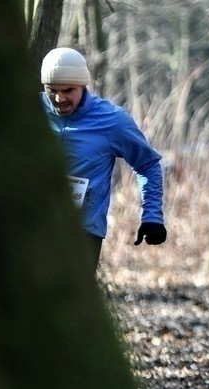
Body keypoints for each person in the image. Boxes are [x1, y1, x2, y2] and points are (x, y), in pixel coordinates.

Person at [40, 47, 166, 273]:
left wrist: (152, 216)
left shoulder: (112, 120)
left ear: (83, 85)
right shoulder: (29, 112)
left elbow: (148, 165)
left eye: (68, 90)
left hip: (83, 232)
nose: (59, 99)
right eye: (52, 91)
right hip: (31, 228)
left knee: (72, 305)